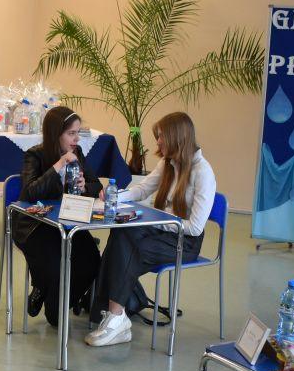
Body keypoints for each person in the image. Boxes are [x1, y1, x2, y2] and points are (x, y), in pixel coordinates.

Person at [86, 112, 216, 347]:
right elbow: (143, 189)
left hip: (184, 242)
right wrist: (114, 197)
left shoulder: (203, 172)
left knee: (133, 247)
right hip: (162, 230)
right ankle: (113, 315)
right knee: (121, 231)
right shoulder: (168, 163)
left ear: (177, 137)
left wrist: (155, 219)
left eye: (161, 136)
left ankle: (115, 317)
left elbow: (195, 228)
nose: (158, 141)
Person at [15, 106, 102, 326]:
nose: (76, 139)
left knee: (91, 259)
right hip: (36, 225)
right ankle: (43, 288)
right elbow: (28, 193)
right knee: (55, 262)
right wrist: (59, 164)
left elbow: (96, 186)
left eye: (78, 133)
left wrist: (85, 186)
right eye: (71, 133)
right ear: (56, 134)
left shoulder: (78, 153)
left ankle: (56, 308)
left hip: (67, 222)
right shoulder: (35, 155)